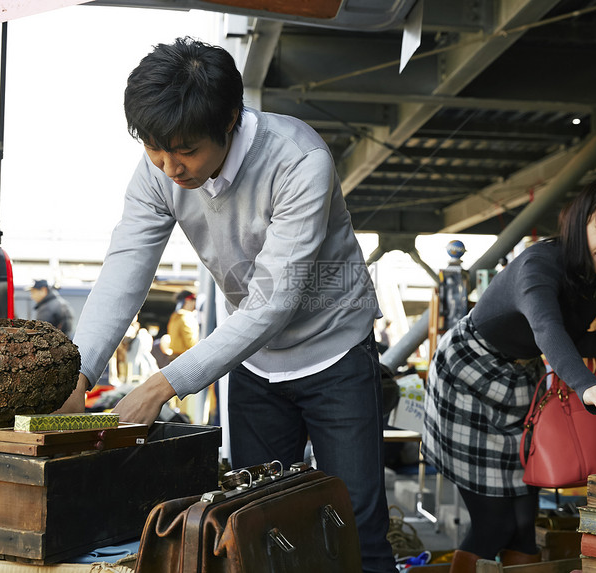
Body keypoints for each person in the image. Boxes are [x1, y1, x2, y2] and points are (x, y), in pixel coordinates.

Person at [61, 37, 395, 573]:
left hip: (335, 353)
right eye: (154, 149)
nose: (170, 167)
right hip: (256, 364)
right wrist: (77, 373)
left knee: (355, 529)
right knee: (258, 529)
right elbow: (126, 267)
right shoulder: (158, 170)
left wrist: (161, 386)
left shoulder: (298, 159)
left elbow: (271, 302)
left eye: (186, 150)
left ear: (231, 121)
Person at [422, 176, 596, 571]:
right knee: (493, 525)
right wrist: (587, 386)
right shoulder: (539, 264)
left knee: (524, 526)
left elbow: (561, 337)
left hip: (519, 382)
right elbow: (546, 328)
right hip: (467, 374)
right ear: (581, 221)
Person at [166, 290, 199, 357]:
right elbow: (192, 343)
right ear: (188, 301)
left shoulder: (174, 317)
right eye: (193, 301)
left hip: (174, 356)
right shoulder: (187, 317)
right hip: (185, 357)